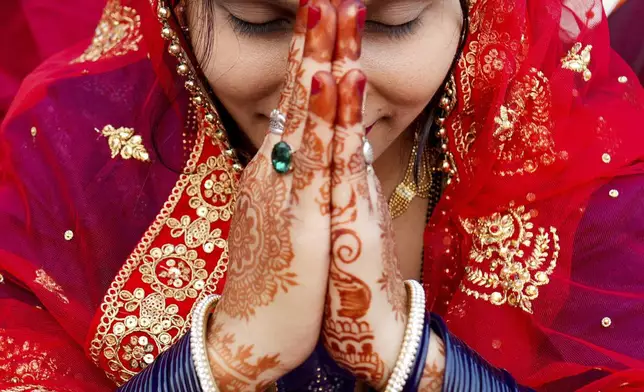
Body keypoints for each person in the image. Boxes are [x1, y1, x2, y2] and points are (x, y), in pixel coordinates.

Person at [0, 0, 643, 390]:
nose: (321, 84)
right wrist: (228, 358)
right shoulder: (67, 155)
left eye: (392, 23)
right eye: (260, 20)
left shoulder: (580, 174)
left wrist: (406, 352)